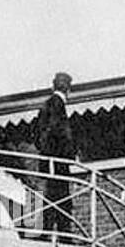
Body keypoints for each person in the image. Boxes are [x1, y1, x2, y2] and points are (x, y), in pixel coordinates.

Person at [34, 71, 77, 237]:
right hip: (57, 161)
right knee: (61, 196)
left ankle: (49, 231)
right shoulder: (58, 104)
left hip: (50, 160)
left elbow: (38, 134)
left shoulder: (46, 104)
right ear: (69, 90)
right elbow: (59, 133)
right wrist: (67, 155)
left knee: (53, 196)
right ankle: (63, 234)